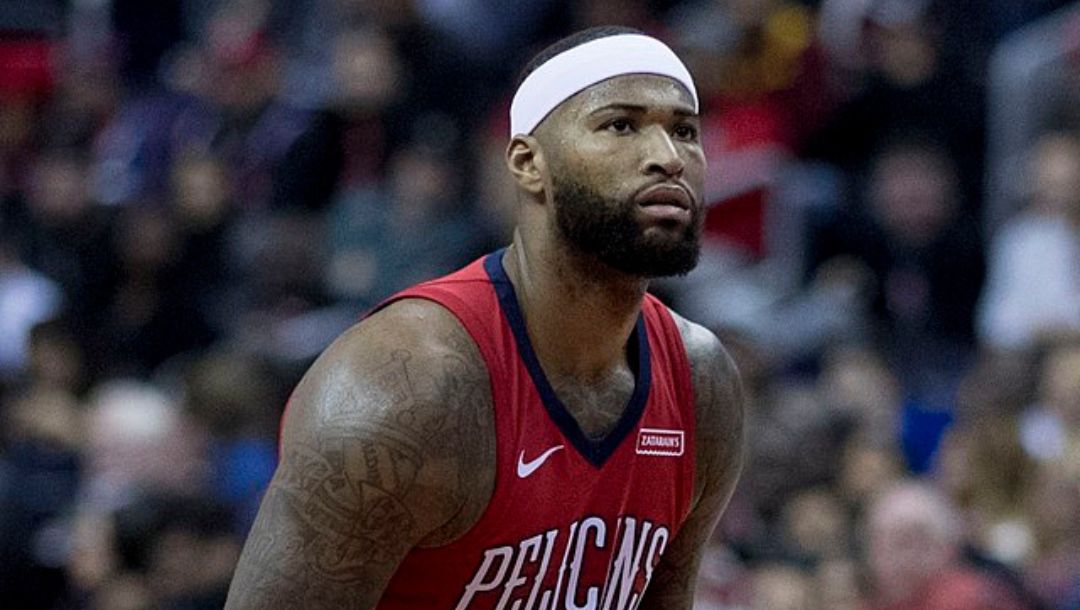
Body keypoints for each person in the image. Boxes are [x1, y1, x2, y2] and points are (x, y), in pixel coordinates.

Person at [224, 25, 746, 610]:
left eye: (685, 131)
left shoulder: (702, 385)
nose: (668, 158)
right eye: (620, 125)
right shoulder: (405, 389)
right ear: (528, 163)